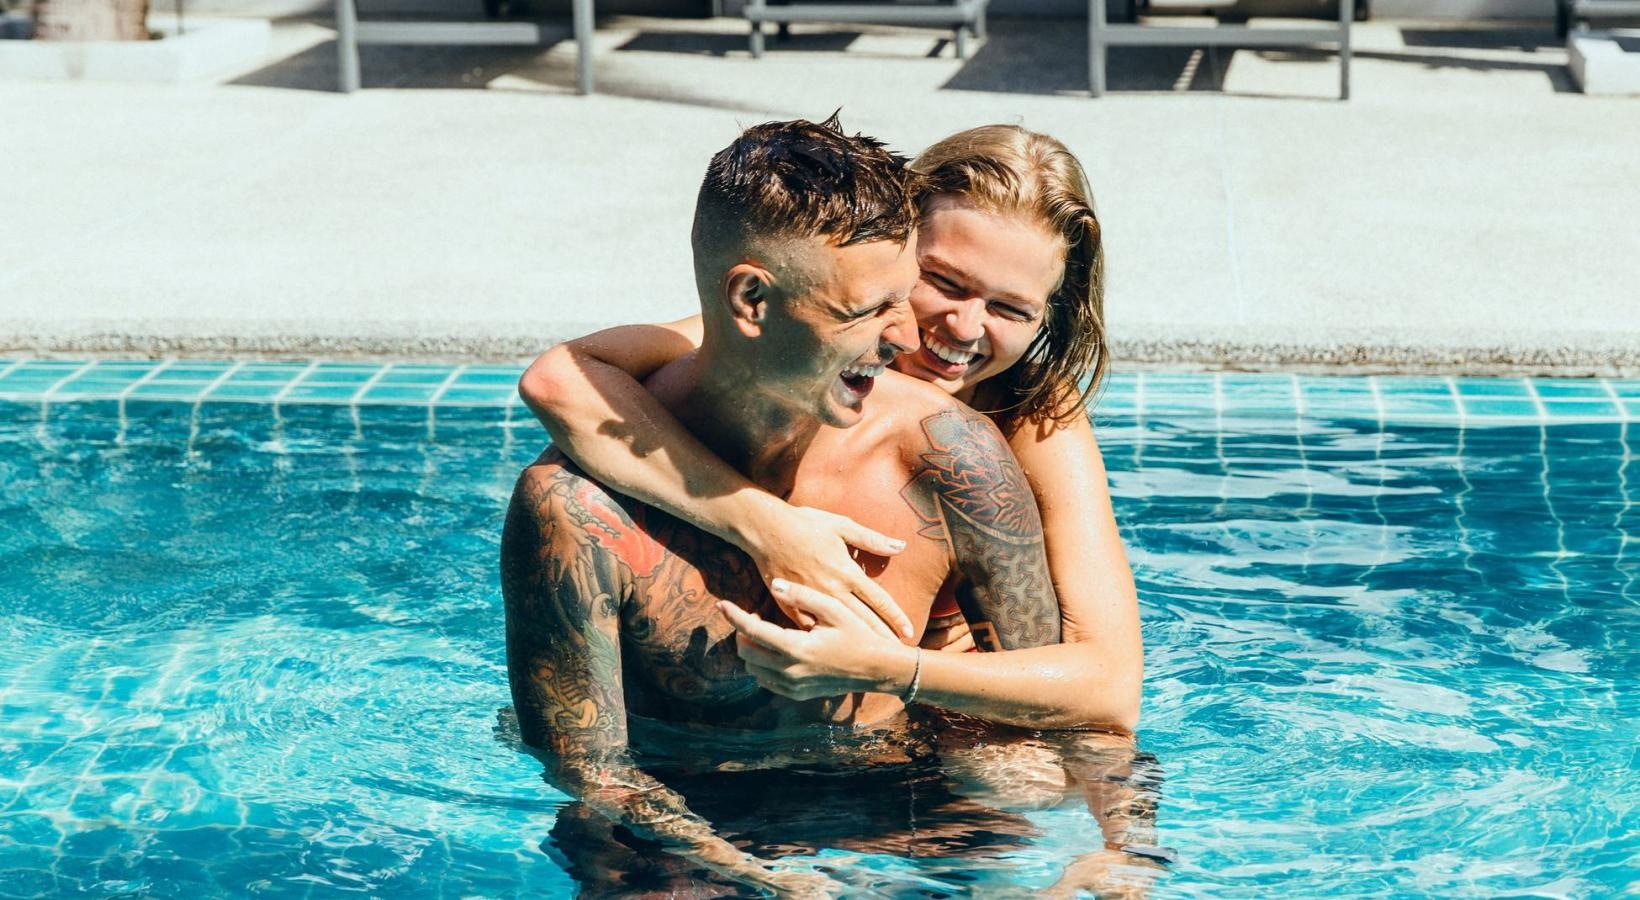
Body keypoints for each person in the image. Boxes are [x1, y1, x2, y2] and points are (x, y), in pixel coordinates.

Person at [501, 115, 1065, 893]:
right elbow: (592, 778)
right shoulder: (576, 511)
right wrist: (770, 881)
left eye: (905, 296)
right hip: (679, 823)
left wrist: (1110, 847)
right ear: (752, 301)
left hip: (900, 801)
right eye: (868, 309)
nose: (908, 338)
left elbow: (1047, 722)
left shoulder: (949, 453)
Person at [519, 123, 1142, 733]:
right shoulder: (801, 338)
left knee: (1024, 774)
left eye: (1010, 309)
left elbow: (1109, 687)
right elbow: (559, 380)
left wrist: (894, 670)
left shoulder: (1030, 416)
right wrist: (765, 525)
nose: (964, 327)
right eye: (943, 282)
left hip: (947, 710)